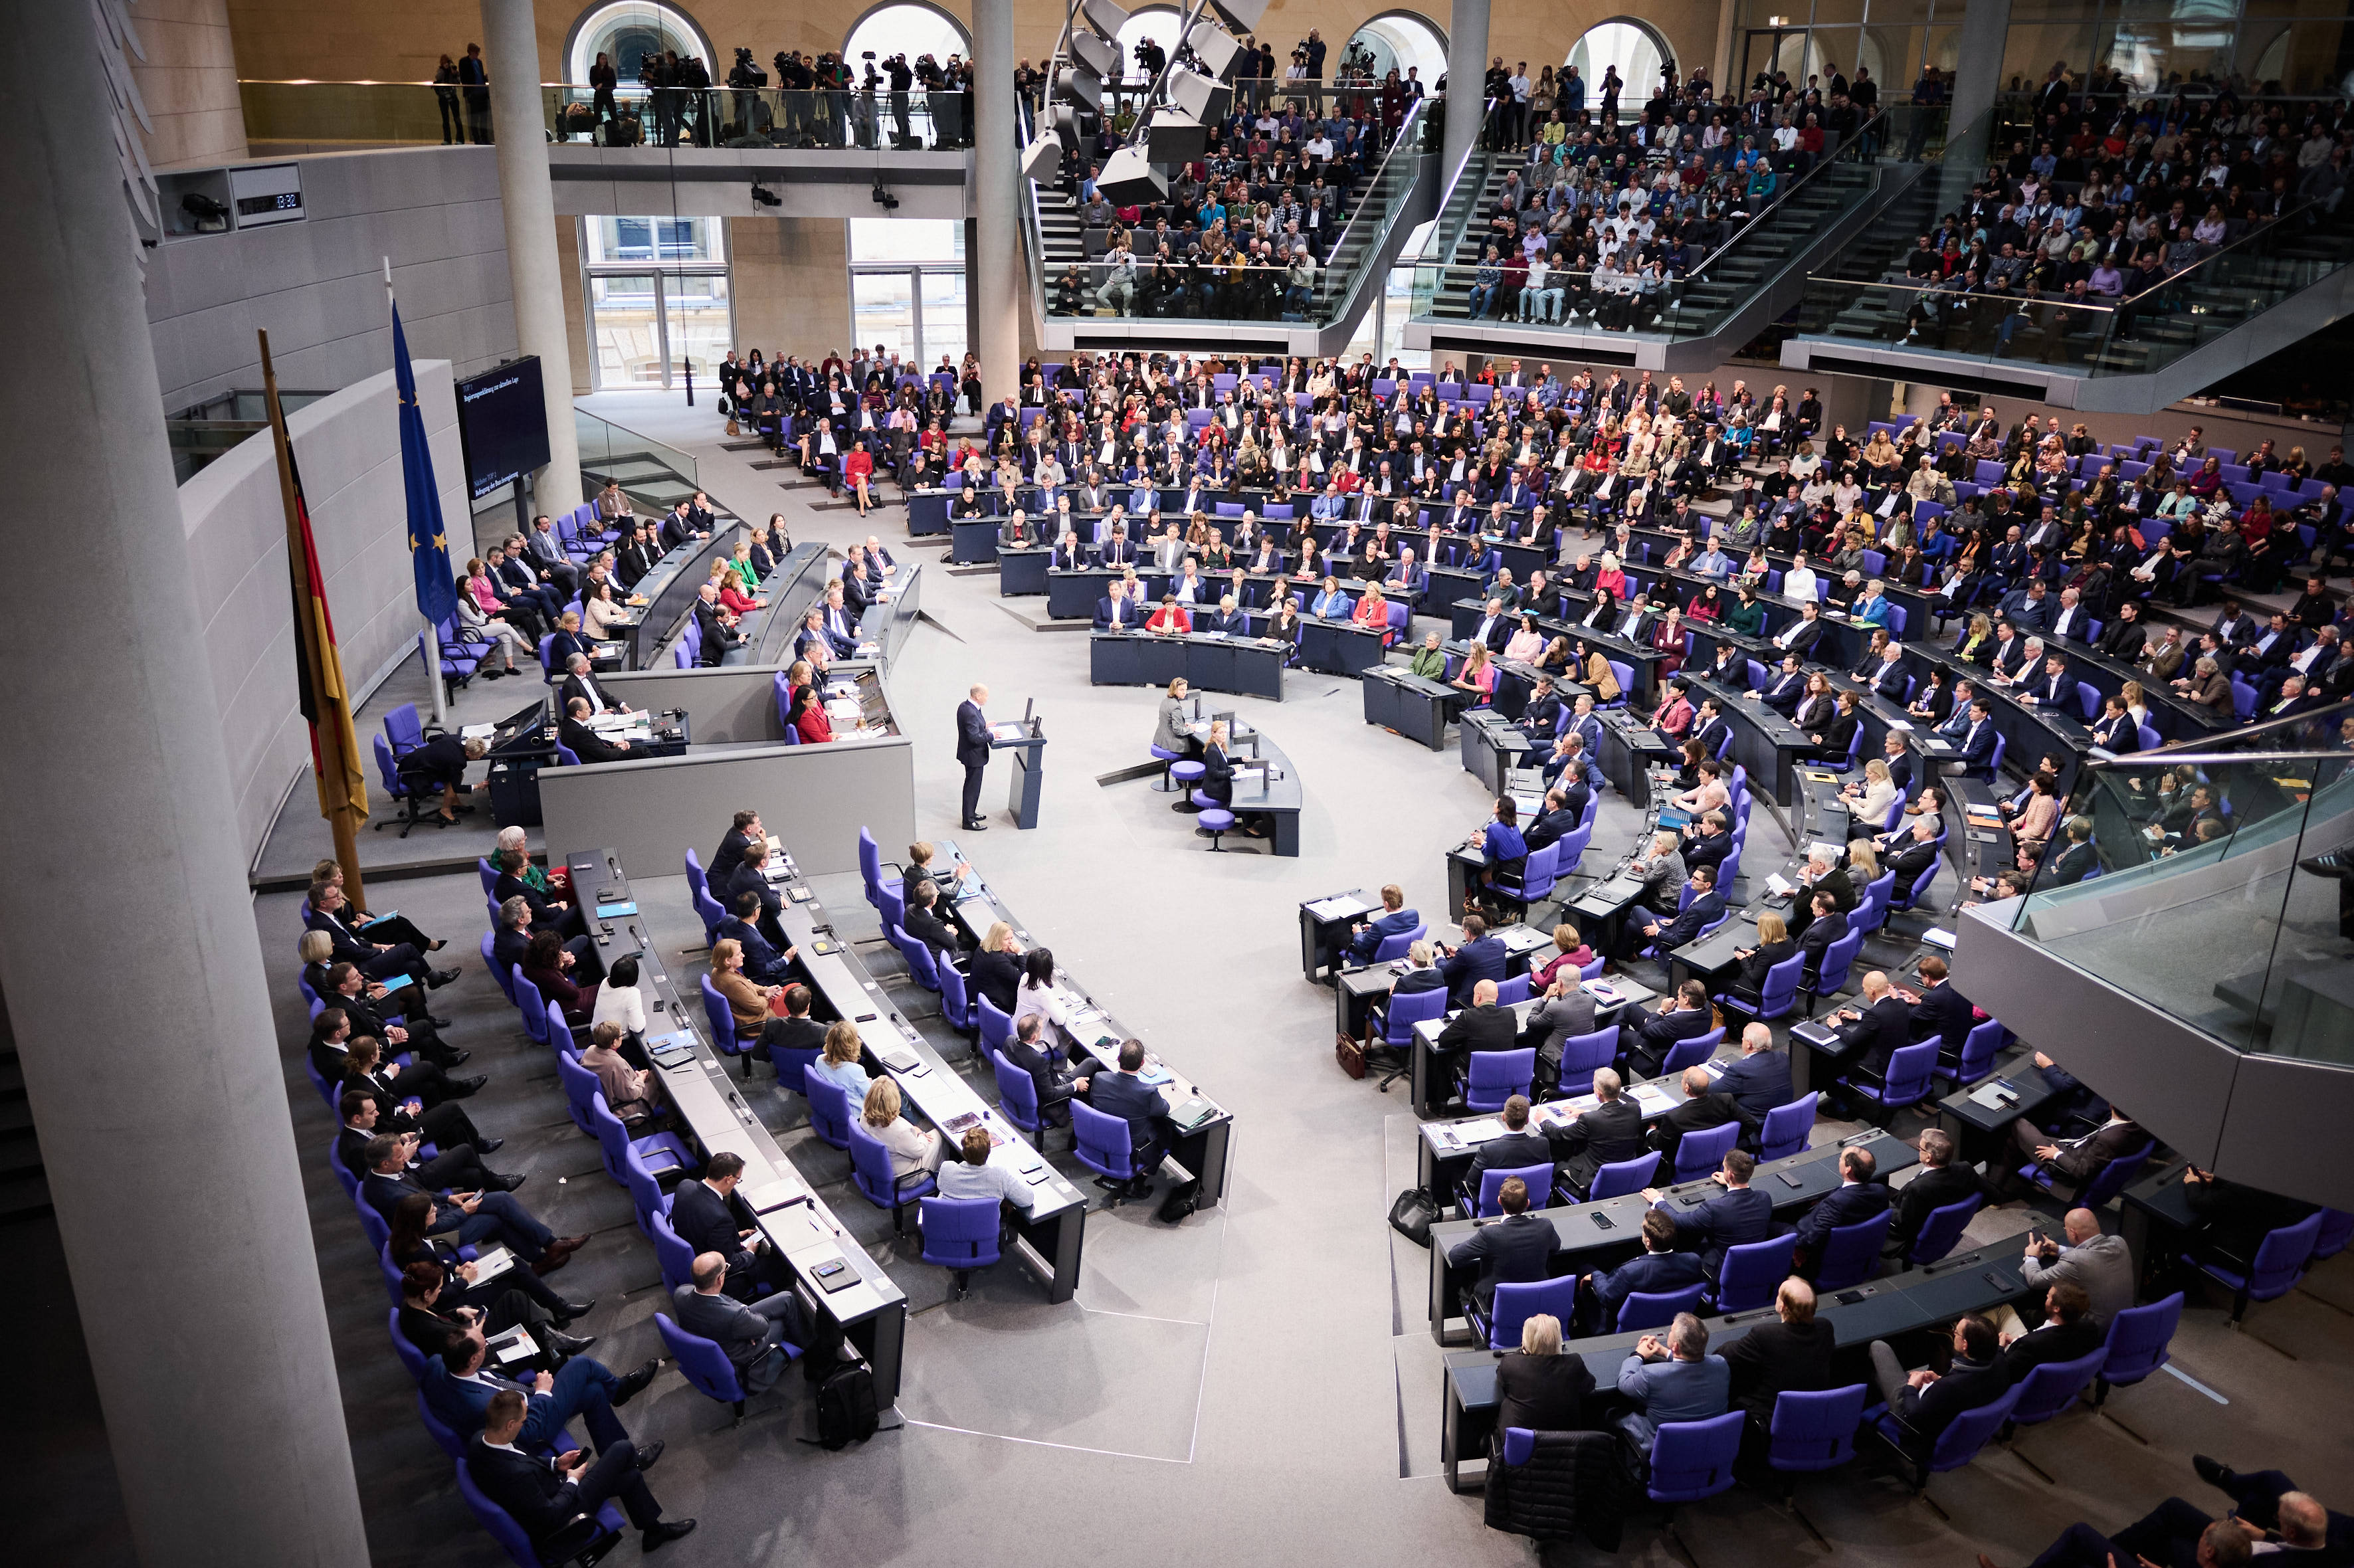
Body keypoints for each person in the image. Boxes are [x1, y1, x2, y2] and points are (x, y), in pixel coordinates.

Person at [359, 1133, 586, 1272]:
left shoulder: (378, 1173)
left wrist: (449, 1197)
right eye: (400, 1158)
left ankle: (550, 1246)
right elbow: (431, 1228)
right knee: (495, 1220)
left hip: (441, 1210)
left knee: (503, 1200)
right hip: (437, 1236)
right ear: (385, 1163)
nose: (405, 1160)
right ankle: (542, 1257)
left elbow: (419, 1192)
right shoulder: (390, 1195)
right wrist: (465, 1212)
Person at [672, 1248, 848, 1393]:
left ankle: (807, 1341)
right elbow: (763, 1327)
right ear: (720, 1279)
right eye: (726, 1268)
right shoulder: (733, 1317)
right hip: (742, 1352)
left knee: (787, 1298)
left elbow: (728, 1303)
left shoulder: (681, 1293)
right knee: (781, 1321)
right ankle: (815, 1355)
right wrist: (745, 1321)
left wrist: (743, 1316)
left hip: (726, 1329)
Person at [1868, 1312, 2009, 1459]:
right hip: (1951, 1414)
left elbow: (1914, 1417)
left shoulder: (1947, 1388)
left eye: (1957, 1333)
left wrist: (1911, 1387)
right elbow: (1968, 1387)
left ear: (1965, 1344)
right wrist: (1940, 1378)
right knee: (1879, 1374)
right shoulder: (2001, 1364)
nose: (1954, 1334)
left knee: (1878, 1348)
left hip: (1914, 1425)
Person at [1615, 1313, 1731, 1475]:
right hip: (1706, 1451)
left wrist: (1638, 1355)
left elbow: (1624, 1384)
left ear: (1675, 1346)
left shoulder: (1652, 1375)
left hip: (1667, 1453)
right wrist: (1666, 1353)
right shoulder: (1721, 1364)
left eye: (1671, 1331)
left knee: (1612, 1415)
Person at [1722, 1278, 1839, 1422]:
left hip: (1770, 1419)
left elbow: (1725, 1355)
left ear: (1782, 1307)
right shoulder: (1825, 1328)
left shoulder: (1765, 1335)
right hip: (1812, 1415)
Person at [1647, 1148, 1773, 1279]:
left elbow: (1677, 1221)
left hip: (1723, 1273)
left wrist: (1658, 1201)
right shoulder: (1765, 1198)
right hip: (1756, 1266)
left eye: (1724, 1168)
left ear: (1730, 1174)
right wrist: (1730, 1184)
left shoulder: (1715, 1209)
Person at [1583, 1206, 1708, 1334]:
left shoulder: (1630, 1272)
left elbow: (1607, 1297)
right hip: (1672, 1318)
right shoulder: (1693, 1261)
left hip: (1629, 1325)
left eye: (1642, 1229)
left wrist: (1595, 1276)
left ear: (1648, 1241)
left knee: (1585, 1268)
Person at [1073, 1038, 1170, 1197]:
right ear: (1142, 1063)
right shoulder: (1148, 1092)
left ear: (1118, 1059)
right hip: (1129, 1152)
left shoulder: (1100, 1078)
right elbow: (1164, 1109)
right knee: (1165, 1135)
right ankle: (1138, 1185)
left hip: (1096, 1141)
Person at [1443, 1176, 1555, 1309]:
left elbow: (1455, 1255)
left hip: (1498, 1305)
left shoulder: (1490, 1234)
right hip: (1537, 1299)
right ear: (1528, 1203)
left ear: (1499, 1201)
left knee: (1464, 1290)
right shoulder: (1545, 1226)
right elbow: (1556, 1246)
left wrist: (1489, 1230)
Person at [2018, 1207, 2135, 1329]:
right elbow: (2092, 1254)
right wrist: (2060, 1250)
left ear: (2073, 1233)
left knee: (2030, 1313)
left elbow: (2035, 1281)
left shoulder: (2074, 1260)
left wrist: (2031, 1256)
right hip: (2124, 1323)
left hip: (2093, 1331)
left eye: (2066, 1230)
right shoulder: (2119, 1242)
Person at [1884, 1127, 1987, 1262]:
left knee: (1865, 1203)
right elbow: (1990, 1193)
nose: (1918, 1150)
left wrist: (1880, 1203)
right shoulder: (1965, 1168)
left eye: (1920, 1148)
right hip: (1928, 1211)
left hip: (1905, 1236)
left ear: (1928, 1157)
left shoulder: (1918, 1189)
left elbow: (1903, 1223)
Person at [1790, 1144, 1890, 1276]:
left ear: (1848, 1169)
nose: (1839, 1160)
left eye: (1841, 1158)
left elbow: (1813, 1239)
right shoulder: (1881, 1191)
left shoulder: (1836, 1203)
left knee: (1772, 1224)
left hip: (1805, 1236)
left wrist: (1795, 1247)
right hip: (1856, 1248)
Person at [2007, 1105, 2144, 1199]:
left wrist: (2056, 1154)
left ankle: (1998, 1188)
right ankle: (2003, 1185)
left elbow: (2080, 1172)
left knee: (2017, 1123)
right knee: (2016, 1136)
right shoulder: (2134, 1126)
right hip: (2073, 1149)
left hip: (2062, 1167)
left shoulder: (2110, 1139)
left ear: (2111, 1105)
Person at [1554, 1068, 1647, 1199]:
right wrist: (1586, 1112)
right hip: (1626, 1175)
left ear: (1598, 1093)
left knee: (1557, 1162)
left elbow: (1560, 1134)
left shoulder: (1590, 1120)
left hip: (1593, 1181)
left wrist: (1543, 1120)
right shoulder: (1635, 1109)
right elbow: (1610, 1117)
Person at [1497, 1313, 1595, 1432]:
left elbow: (1502, 1382)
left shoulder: (1510, 1364)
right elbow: (1589, 1386)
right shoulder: (1574, 1363)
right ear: (1558, 1339)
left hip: (1523, 1448)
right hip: (1566, 1447)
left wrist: (1523, 1351)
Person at [1619, 979, 1715, 1078]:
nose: (1677, 998)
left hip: (1655, 1051)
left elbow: (1646, 1031)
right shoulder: (1707, 1007)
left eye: (1679, 995)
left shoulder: (1675, 1023)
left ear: (1686, 999)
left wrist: (1661, 1011)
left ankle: (1614, 1076)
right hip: (1669, 1037)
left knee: (1618, 1034)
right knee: (1630, 1008)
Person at [935, 1122, 1037, 1212]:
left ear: (964, 1151)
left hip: (949, 1230)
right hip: (983, 1233)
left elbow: (942, 1189)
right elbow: (1027, 1200)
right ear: (988, 1152)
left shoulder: (947, 1169)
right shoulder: (999, 1176)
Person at [1714, 1023, 1795, 1133]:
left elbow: (1711, 1090)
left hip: (1753, 1128)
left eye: (1743, 1037)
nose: (1742, 1039)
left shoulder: (1740, 1069)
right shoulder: (1783, 1057)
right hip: (1781, 1122)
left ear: (1749, 1044)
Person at [860, 1076, 942, 1179]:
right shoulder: (901, 1131)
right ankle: (941, 1173)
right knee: (939, 1134)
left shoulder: (864, 1112)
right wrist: (921, 1134)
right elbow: (919, 1151)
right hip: (905, 1177)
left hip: (877, 1166)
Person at [1436, 976, 1518, 1078]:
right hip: (1503, 1075)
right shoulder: (1510, 1014)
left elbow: (1443, 1040)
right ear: (1496, 997)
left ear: (1478, 996)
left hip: (1474, 1075)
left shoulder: (1467, 1016)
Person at [1467, 1094, 1556, 1187]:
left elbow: (1472, 1183)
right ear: (1527, 1120)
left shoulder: (1488, 1150)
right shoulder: (1543, 1144)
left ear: (1503, 1117)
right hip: (1533, 1197)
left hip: (1499, 1199)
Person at [581, 1021, 658, 1123]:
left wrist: (638, 1076)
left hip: (605, 1099)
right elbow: (631, 1095)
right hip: (623, 1110)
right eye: (621, 1035)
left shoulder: (590, 1050)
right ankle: (673, 1122)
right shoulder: (616, 1064)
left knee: (650, 1076)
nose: (622, 1036)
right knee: (659, 1078)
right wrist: (640, 1079)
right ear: (614, 1042)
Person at [1340, 883, 1418, 969]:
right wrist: (1373, 927)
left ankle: (1332, 977)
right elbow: (1397, 927)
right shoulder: (1413, 915)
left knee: (1334, 938)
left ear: (1387, 904)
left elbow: (1361, 945)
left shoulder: (1380, 926)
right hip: (1402, 952)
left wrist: (1358, 933)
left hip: (1373, 957)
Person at [1436, 912, 1507, 1005]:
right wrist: (1458, 952)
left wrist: (1440, 956)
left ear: (1468, 933)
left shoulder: (1466, 953)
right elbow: (1480, 954)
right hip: (1497, 994)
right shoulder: (1500, 943)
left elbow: (1444, 971)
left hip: (1472, 1001)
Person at [956, 682, 992, 830]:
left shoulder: (966, 707)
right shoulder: (971, 712)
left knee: (973, 787)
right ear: (978, 696)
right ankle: (968, 821)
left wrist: (985, 726)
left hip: (970, 755)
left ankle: (971, 813)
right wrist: (990, 735)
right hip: (974, 756)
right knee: (972, 788)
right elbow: (974, 738)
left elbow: (973, 728)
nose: (987, 698)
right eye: (986, 696)